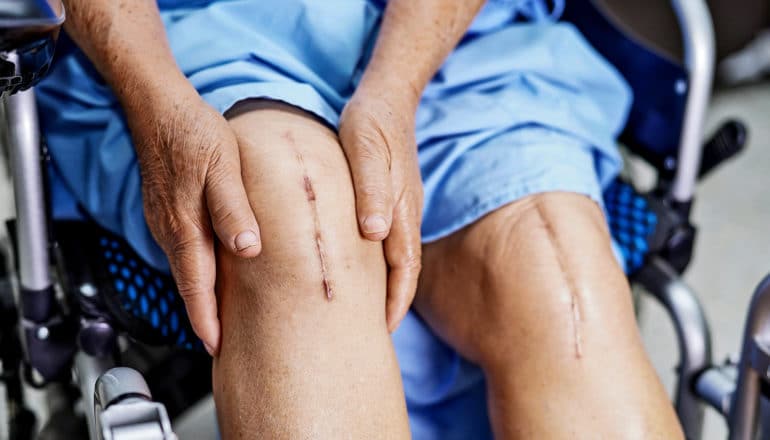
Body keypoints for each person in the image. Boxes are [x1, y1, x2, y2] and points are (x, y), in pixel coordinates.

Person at [39, 0, 684, 438]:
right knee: (286, 220)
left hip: (440, 33)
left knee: (558, 278)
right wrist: (158, 102)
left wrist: (396, 85)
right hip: (181, 35)